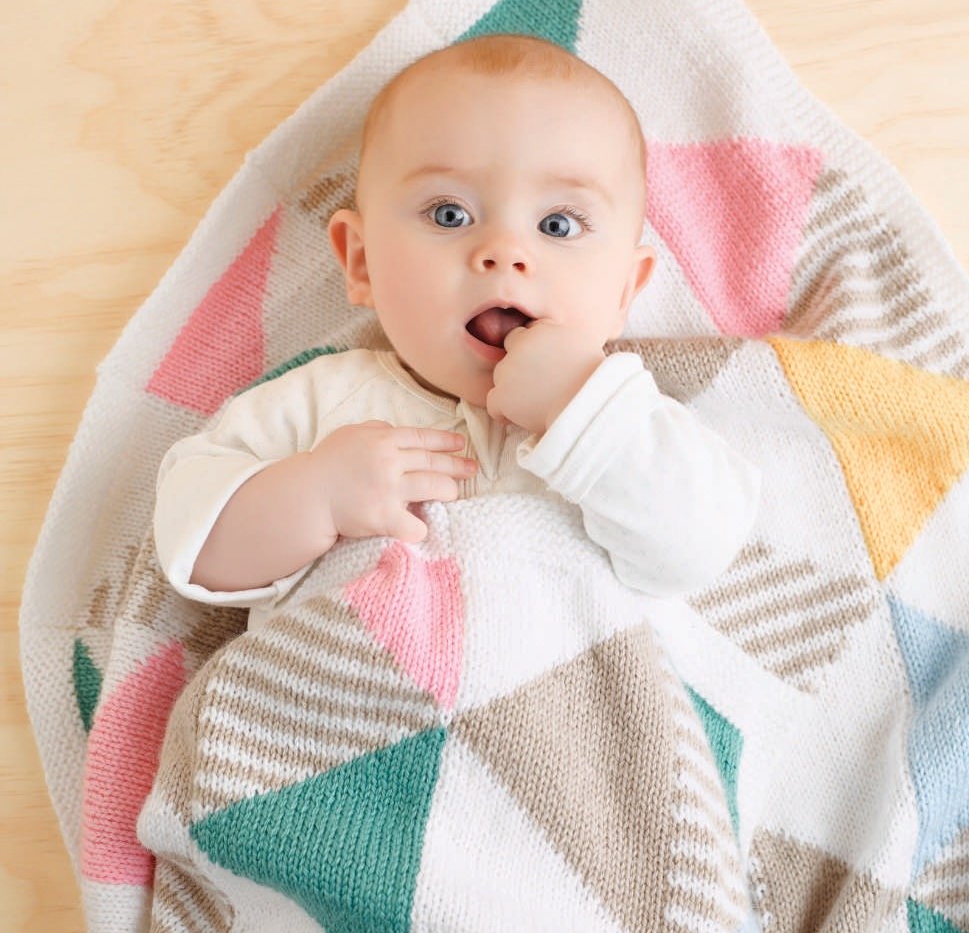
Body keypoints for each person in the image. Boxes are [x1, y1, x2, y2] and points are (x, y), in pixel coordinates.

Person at [154, 33, 760, 628]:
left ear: (625, 290)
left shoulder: (635, 426)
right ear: (362, 262)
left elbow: (700, 550)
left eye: (558, 224)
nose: (504, 251)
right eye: (450, 214)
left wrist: (584, 407)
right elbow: (192, 546)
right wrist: (316, 494)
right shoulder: (320, 406)